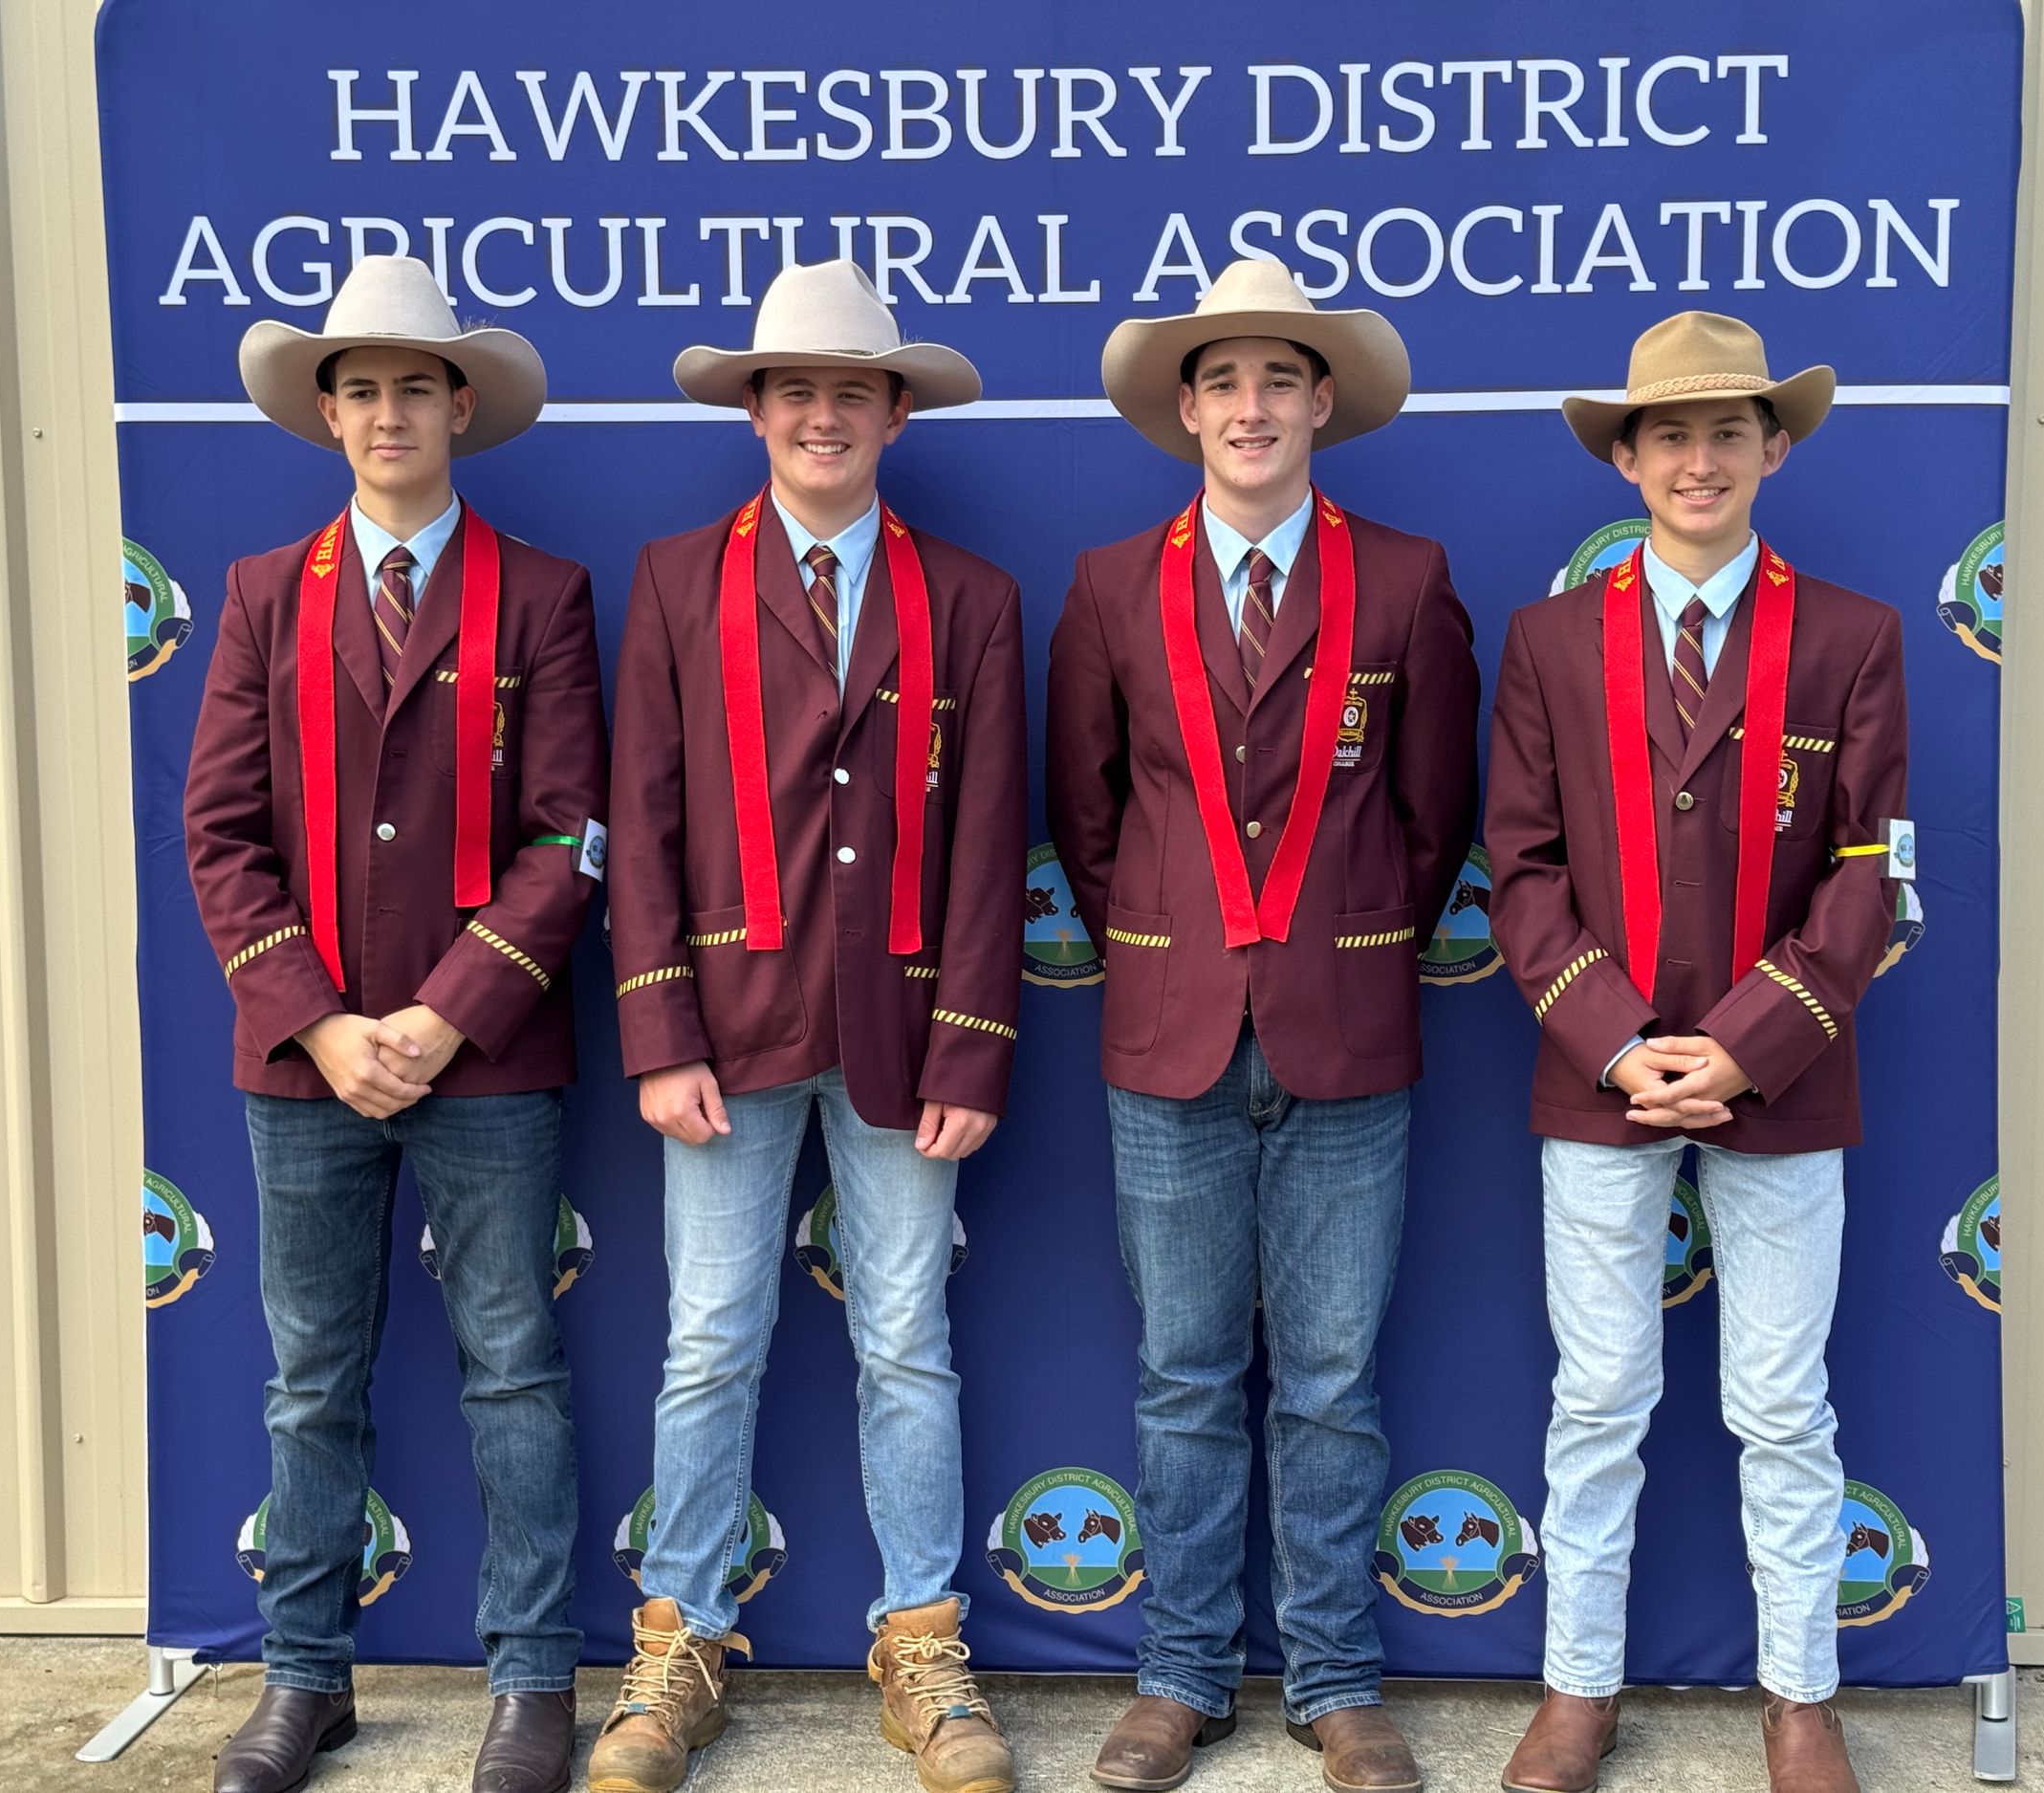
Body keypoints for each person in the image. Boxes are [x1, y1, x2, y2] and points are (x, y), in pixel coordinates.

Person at [1047, 258, 1479, 1793]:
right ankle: (1179, 1674)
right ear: (1186, 409)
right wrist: (1178, 945)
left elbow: (1434, 820)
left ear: (1321, 404)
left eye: (1279, 380)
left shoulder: (1408, 580)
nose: (1251, 406)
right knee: (1181, 1375)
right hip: (1167, 1033)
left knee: (1333, 1380)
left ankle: (1336, 1679)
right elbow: (1087, 816)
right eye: (1224, 381)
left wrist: (1337, 940)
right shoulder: (1110, 585)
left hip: (1345, 1028)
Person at [594, 260, 1027, 1793]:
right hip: (725, 1025)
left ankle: (922, 1646)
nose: (822, 416)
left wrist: (972, 1039)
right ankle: (681, 1644)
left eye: (852, 391)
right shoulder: (673, 580)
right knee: (710, 1340)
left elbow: (990, 843)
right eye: (795, 391)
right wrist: (658, 1028)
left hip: (906, 1031)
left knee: (907, 1341)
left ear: (896, 414)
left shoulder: (969, 597)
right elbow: (641, 820)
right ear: (755, 412)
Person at [184, 254, 608, 1793]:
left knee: (513, 1365)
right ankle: (305, 1675)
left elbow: (571, 834)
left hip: (485, 1058)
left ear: (459, 406)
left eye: (411, 387)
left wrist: (445, 1012)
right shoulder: (259, 596)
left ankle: (533, 1680)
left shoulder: (542, 595)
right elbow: (220, 836)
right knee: (312, 1376)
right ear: (328, 414)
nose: (385, 413)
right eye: (358, 389)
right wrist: (319, 1023)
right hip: (305, 1070)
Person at [1486, 312, 1909, 1793]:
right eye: (1671, 433)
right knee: (1598, 1399)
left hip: (1782, 1084)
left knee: (1782, 1405)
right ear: (1626, 456)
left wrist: (1741, 1045)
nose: (1700, 458)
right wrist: (1618, 1044)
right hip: (1596, 1079)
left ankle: (1801, 1697)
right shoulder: (1549, 642)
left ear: (1774, 448)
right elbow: (1521, 869)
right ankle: (1577, 1687)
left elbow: (1872, 867)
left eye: (1730, 430)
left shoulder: (1852, 634)